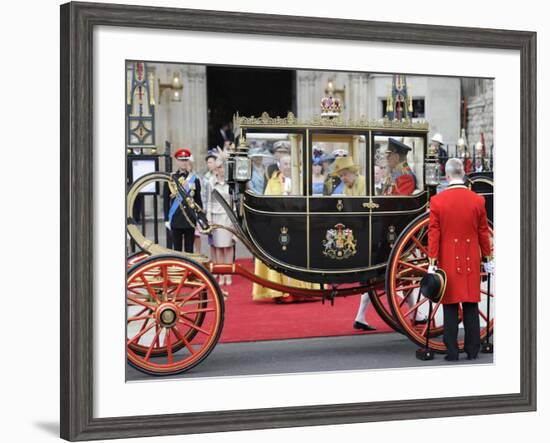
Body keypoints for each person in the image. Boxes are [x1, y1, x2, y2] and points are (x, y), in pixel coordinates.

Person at [427, 158, 493, 361]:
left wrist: (431, 261)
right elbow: (483, 232)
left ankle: (452, 351)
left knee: (450, 305)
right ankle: (472, 350)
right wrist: (488, 257)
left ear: (447, 176)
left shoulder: (437, 201)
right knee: (471, 304)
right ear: (463, 174)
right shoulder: (477, 200)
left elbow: (434, 234)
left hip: (448, 258)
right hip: (471, 257)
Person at [252, 154, 315, 303]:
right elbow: (268, 204)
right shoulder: (273, 182)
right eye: (285, 164)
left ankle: (303, 290)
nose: (287, 166)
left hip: (298, 224)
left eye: (290, 163)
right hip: (279, 225)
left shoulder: (301, 179)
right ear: (279, 166)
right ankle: (281, 291)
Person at [163, 148, 202, 253]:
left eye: (186, 160)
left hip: (190, 219)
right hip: (176, 218)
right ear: (177, 161)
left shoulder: (195, 179)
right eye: (181, 160)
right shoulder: (171, 179)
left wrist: (200, 217)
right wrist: (166, 219)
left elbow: (198, 200)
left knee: (189, 250)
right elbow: (166, 200)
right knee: (177, 250)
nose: (184, 162)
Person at [207, 158, 235, 286]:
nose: (221, 170)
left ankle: (229, 274)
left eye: (223, 167)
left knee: (228, 246)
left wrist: (235, 220)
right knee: (218, 247)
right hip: (216, 217)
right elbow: (208, 201)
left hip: (228, 217)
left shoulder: (231, 183)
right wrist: (208, 219)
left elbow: (233, 202)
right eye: (218, 167)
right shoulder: (211, 182)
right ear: (215, 169)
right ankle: (221, 274)